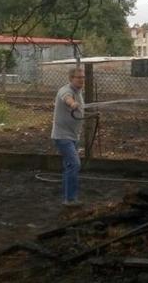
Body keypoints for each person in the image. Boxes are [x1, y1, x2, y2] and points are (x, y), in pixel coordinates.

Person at [51, 66, 86, 206]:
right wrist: (72, 104)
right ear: (71, 78)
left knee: (69, 166)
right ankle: (70, 199)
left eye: (83, 77)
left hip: (72, 135)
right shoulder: (66, 90)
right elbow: (67, 99)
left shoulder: (79, 92)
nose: (82, 80)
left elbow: (80, 110)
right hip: (62, 136)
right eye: (79, 77)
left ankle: (68, 197)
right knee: (75, 164)